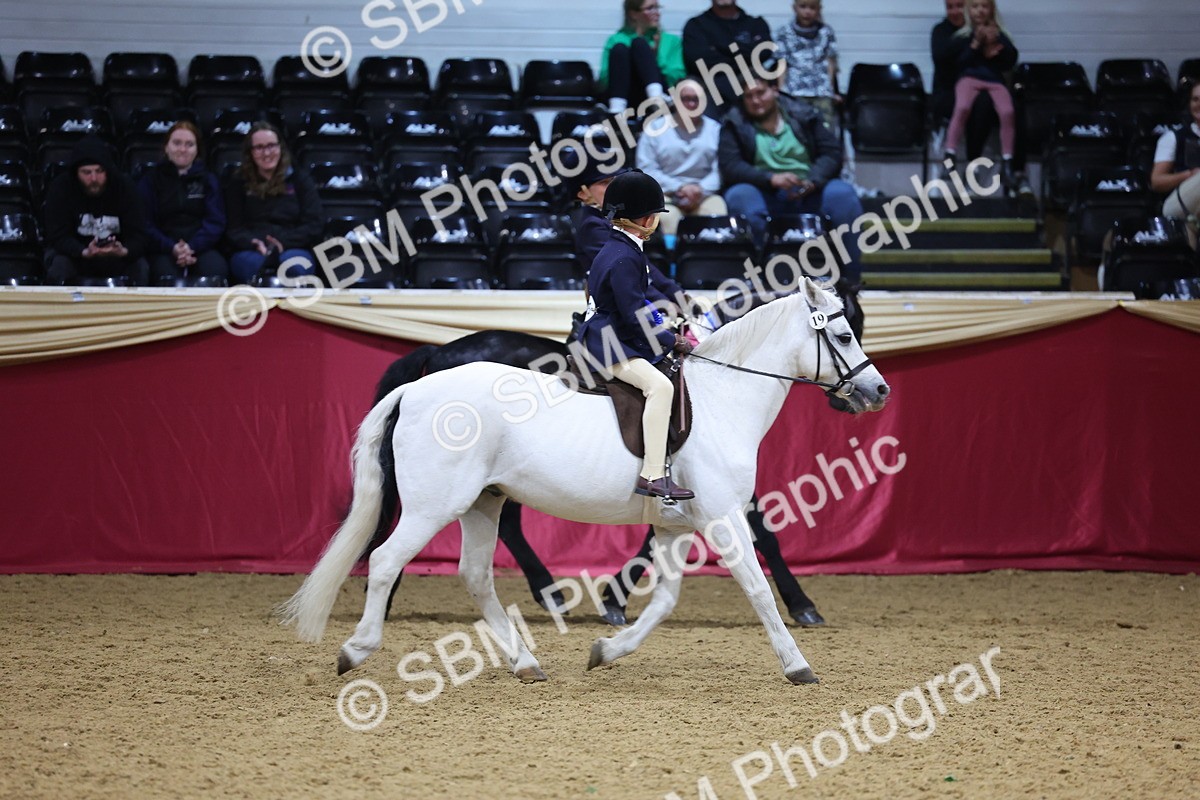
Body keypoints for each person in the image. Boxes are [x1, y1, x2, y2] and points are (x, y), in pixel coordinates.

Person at [574, 170, 695, 501]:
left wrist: (661, 324)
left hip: (615, 332)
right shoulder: (625, 256)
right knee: (660, 386)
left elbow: (639, 306)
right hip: (608, 341)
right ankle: (653, 474)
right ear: (646, 219)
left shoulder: (622, 247)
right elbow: (632, 313)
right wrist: (670, 340)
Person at [718, 74, 863, 283]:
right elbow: (731, 165)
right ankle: (756, 278)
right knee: (739, 196)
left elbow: (831, 153)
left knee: (843, 196)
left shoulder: (804, 114)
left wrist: (812, 181)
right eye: (749, 96)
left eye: (760, 93)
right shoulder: (734, 121)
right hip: (764, 191)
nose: (756, 100)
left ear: (775, 90)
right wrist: (770, 179)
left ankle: (850, 278)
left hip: (809, 190)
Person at [223, 122, 323, 285]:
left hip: (293, 247)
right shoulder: (238, 183)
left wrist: (282, 243)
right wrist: (254, 243)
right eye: (259, 147)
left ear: (280, 147)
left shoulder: (300, 179)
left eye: (271, 146)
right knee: (255, 268)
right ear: (250, 152)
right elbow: (234, 228)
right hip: (252, 249)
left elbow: (314, 224)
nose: (267, 153)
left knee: (294, 268)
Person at [43, 136, 150, 285]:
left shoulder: (125, 187)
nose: (94, 178)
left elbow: (139, 234)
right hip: (76, 255)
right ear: (76, 173)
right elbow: (57, 236)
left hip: (117, 257)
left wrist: (124, 250)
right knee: (59, 267)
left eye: (99, 171)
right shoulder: (61, 187)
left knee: (140, 268)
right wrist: (83, 251)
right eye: (87, 172)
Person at [636, 78, 728, 246]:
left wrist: (700, 190)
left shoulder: (716, 130)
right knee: (669, 219)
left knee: (717, 214)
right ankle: (673, 260)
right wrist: (679, 187)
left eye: (696, 99)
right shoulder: (654, 129)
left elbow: (720, 170)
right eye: (686, 99)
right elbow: (646, 170)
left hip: (704, 194)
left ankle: (711, 259)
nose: (691, 104)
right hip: (665, 195)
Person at [940, 0, 1019, 192]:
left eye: (984, 6)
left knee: (1007, 112)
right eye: (975, 6)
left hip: (994, 81)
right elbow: (959, 63)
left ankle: (1008, 162)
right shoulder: (962, 36)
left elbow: (1010, 60)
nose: (980, 11)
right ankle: (949, 156)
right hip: (969, 78)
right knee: (962, 108)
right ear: (969, 10)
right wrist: (975, 44)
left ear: (991, 9)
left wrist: (996, 45)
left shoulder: (1000, 34)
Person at [138, 121, 228, 285]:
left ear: (197, 149)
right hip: (163, 248)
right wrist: (172, 248)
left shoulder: (209, 180)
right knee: (164, 276)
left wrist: (191, 247)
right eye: (177, 143)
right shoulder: (150, 180)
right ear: (166, 147)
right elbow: (145, 224)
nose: (183, 149)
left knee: (215, 270)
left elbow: (215, 222)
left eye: (189, 144)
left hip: (201, 247)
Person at [931, 0, 995, 166]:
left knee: (985, 103)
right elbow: (942, 58)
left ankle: (974, 160)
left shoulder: (983, 29)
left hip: (977, 90)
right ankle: (952, 157)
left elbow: (1005, 59)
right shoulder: (940, 31)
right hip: (948, 91)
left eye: (959, 6)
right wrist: (971, 41)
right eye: (950, 7)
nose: (954, 11)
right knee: (966, 104)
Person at [682, 0, 772, 118]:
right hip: (711, 90)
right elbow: (696, 61)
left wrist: (719, 47)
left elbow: (764, 52)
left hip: (749, 91)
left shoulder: (756, 24)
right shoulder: (695, 25)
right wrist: (743, 54)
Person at [599, 0, 687, 115]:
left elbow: (677, 77)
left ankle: (656, 98)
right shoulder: (616, 39)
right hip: (628, 95)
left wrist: (655, 61)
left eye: (657, 7)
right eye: (650, 8)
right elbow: (604, 79)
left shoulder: (671, 41)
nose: (657, 13)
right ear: (633, 14)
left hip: (661, 94)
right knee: (623, 48)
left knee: (639, 43)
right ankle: (617, 109)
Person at [774, 0, 841, 133]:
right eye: (803, 7)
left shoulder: (826, 32)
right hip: (794, 92)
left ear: (819, 9)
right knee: (796, 131)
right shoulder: (784, 32)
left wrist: (831, 90)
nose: (807, 12)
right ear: (795, 8)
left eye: (812, 7)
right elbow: (782, 63)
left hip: (821, 91)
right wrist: (781, 91)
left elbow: (831, 63)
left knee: (825, 131)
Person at [1150, 81, 1200, 246]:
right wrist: (1189, 175)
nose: (1199, 104)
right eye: (1195, 99)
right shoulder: (1173, 137)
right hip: (1177, 203)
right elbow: (1157, 182)